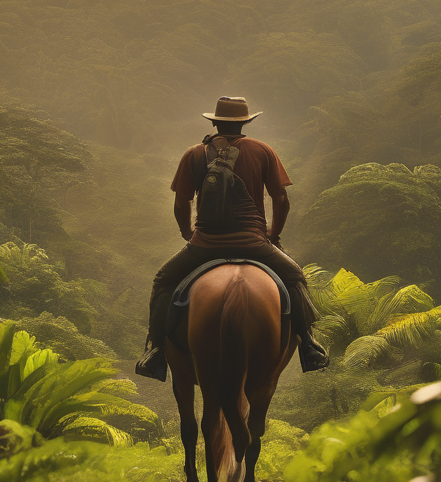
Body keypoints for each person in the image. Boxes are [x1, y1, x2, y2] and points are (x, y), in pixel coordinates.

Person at [135, 95, 329, 382]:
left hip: (204, 244)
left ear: (214, 122)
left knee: (163, 281)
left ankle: (157, 351)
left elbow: (181, 203)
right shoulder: (263, 150)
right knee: (296, 278)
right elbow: (281, 199)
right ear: (246, 123)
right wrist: (273, 235)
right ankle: (309, 345)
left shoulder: (194, 154)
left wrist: (189, 234)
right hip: (254, 242)